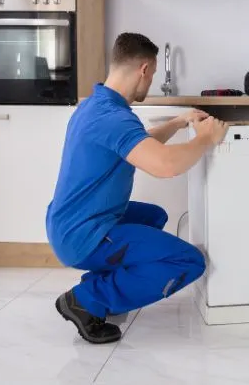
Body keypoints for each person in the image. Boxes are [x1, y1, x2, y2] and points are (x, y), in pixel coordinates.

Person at [46, 32, 229, 344]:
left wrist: (178, 122)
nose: (152, 81)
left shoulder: (97, 106)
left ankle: (105, 286)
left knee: (153, 217)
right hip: (82, 235)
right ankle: (86, 299)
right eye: (154, 73)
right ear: (144, 69)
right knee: (188, 261)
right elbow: (165, 165)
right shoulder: (113, 118)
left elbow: (139, 145)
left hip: (71, 223)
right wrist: (205, 139)